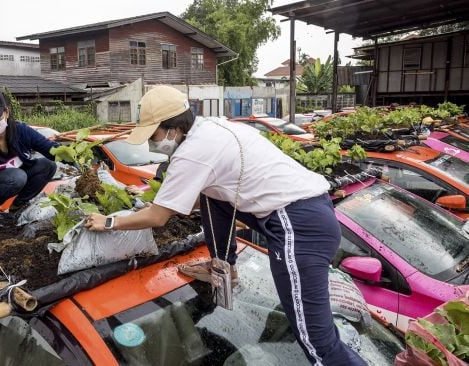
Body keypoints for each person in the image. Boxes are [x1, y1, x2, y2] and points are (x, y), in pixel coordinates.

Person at [85, 86, 366, 366]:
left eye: (153, 135)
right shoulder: (212, 128)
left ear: (172, 129)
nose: (150, 144)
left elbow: (159, 217)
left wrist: (110, 222)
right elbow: (206, 199)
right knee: (213, 193)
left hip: (298, 227)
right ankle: (223, 266)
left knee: (317, 341)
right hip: (307, 213)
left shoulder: (193, 153)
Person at [0, 84, 59, 234]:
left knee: (47, 165)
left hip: (17, 181)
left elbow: (49, 148)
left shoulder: (21, 132)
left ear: (6, 112)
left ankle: (17, 206)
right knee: (17, 176)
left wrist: (76, 154)